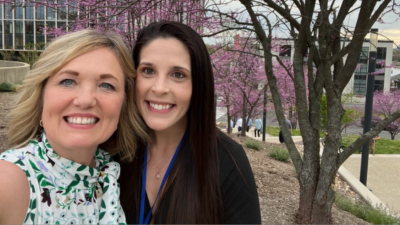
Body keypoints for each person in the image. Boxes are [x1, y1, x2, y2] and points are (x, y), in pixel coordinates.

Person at [118, 21, 261, 224]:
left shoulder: (227, 161)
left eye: (178, 75)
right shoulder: (115, 151)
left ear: (198, 85)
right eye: (148, 71)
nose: (159, 88)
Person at [0, 29, 147, 224]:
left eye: (106, 85)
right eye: (68, 81)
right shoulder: (9, 181)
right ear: (41, 98)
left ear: (123, 108)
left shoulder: (111, 173)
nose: (85, 100)